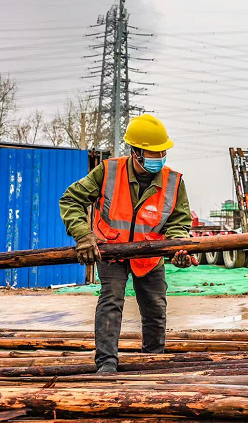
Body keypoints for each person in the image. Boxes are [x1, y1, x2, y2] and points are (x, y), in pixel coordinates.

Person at [60, 114, 196, 373]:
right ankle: (107, 363)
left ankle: (152, 360)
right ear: (135, 152)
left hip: (149, 254)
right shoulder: (109, 171)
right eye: (153, 152)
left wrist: (179, 245)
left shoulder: (174, 182)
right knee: (111, 301)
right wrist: (83, 235)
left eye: (162, 151)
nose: (160, 156)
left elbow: (178, 222)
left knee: (156, 307)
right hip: (111, 250)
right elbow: (71, 199)